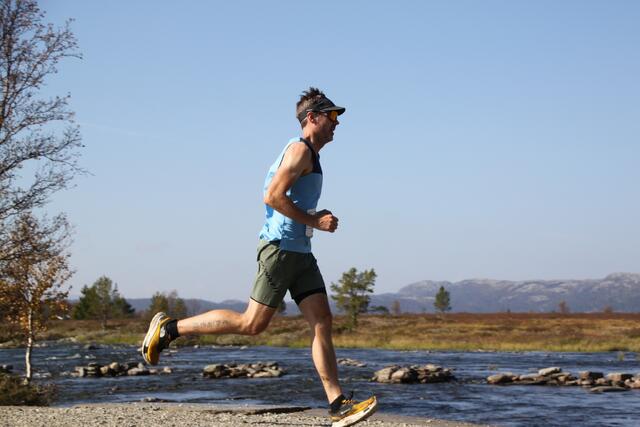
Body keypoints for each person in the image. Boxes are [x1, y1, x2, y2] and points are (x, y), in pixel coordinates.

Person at [141, 87, 377, 427]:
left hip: (301, 253)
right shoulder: (299, 151)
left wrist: (313, 217)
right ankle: (170, 329)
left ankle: (337, 404)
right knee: (251, 323)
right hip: (280, 250)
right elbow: (272, 197)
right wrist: (314, 221)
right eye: (332, 116)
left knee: (322, 322)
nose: (337, 123)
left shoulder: (310, 154)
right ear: (312, 118)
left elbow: (286, 198)